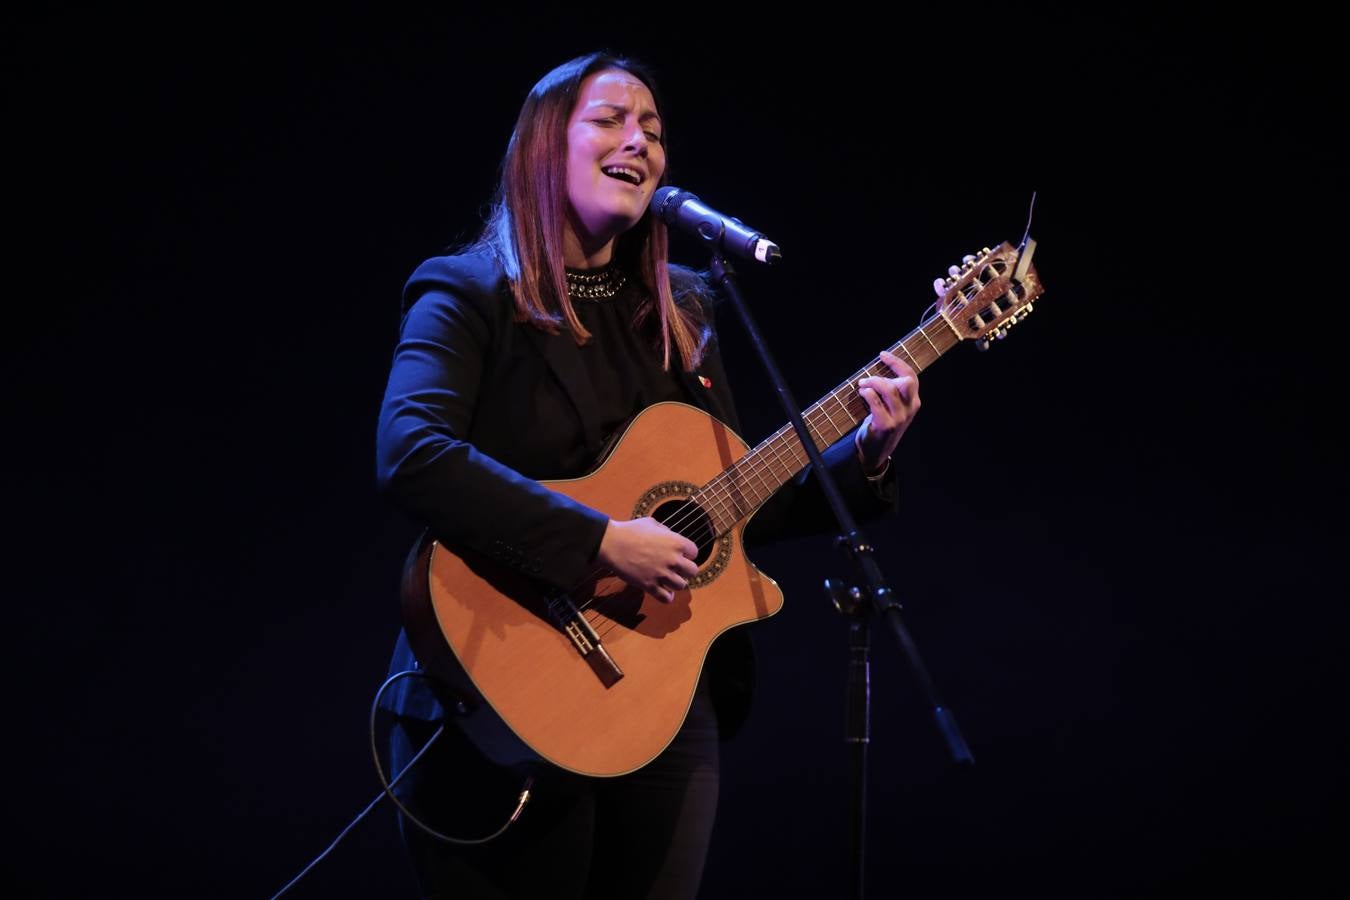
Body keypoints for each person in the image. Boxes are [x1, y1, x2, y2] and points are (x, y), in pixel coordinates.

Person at [374, 51, 921, 900]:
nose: (640, 140)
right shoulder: (467, 292)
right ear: (544, 147)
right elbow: (413, 452)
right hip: (506, 695)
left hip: (661, 702)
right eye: (612, 120)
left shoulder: (684, 305)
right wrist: (600, 540)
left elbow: (727, 513)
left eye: (655, 130)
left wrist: (870, 455)